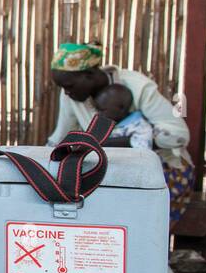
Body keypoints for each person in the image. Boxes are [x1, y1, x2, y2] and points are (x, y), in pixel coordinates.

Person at [48, 42, 194, 225]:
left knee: (142, 228)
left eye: (69, 86)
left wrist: (125, 141)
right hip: (115, 174)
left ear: (90, 74)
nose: (66, 92)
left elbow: (179, 134)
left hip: (163, 173)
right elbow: (59, 138)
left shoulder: (137, 86)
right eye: (62, 88)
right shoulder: (72, 96)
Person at [93, 83, 155, 150]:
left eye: (102, 110)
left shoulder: (140, 126)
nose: (98, 114)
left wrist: (103, 142)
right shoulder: (106, 123)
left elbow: (143, 149)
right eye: (97, 110)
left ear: (121, 108)